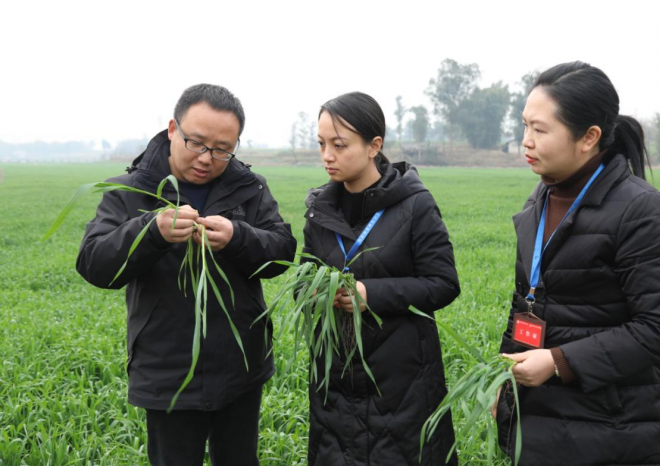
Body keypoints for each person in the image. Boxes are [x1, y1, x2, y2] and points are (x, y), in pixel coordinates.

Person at [76, 84, 297, 465]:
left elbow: (281, 254)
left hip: (241, 367)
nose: (207, 158)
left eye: (223, 149)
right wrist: (151, 233)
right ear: (172, 129)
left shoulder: (250, 189)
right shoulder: (129, 192)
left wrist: (238, 237)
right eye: (196, 142)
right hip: (168, 374)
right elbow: (95, 263)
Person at [495, 62, 660, 465]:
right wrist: (505, 385)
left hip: (616, 430)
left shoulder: (642, 211)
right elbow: (528, 301)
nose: (525, 141)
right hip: (543, 420)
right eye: (525, 126)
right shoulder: (540, 199)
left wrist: (559, 361)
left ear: (589, 138)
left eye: (540, 130)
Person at [302, 92, 460, 465]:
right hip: (335, 380)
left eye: (339, 145)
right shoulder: (318, 211)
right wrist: (312, 293)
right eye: (321, 144)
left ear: (375, 146)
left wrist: (369, 293)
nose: (327, 155)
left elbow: (442, 283)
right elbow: (303, 278)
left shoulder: (415, 205)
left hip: (401, 382)